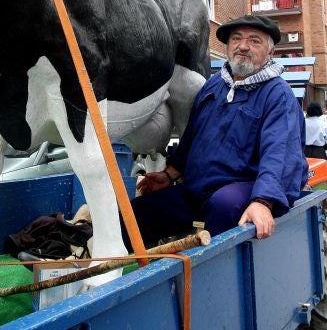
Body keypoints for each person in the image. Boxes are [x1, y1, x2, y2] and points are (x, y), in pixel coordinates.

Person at [130, 14, 307, 243]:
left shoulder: (277, 94)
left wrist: (263, 201)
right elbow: (193, 136)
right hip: (198, 188)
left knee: (224, 204)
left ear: (270, 52)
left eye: (254, 41)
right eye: (236, 39)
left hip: (245, 187)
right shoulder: (214, 85)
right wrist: (169, 174)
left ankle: (210, 274)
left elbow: (280, 152)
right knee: (138, 212)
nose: (243, 46)